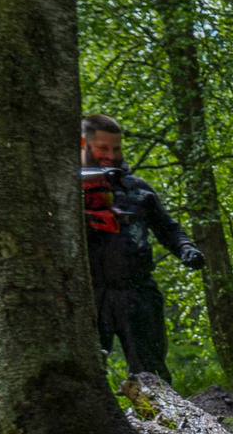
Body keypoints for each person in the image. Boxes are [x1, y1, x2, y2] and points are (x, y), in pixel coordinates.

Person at [80, 115, 203, 384]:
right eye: (103, 148)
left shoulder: (137, 188)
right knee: (85, 376)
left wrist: (186, 249)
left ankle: (164, 423)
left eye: (116, 149)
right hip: (89, 296)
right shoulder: (67, 190)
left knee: (151, 372)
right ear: (83, 144)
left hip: (138, 292)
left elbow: (167, 227)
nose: (110, 156)